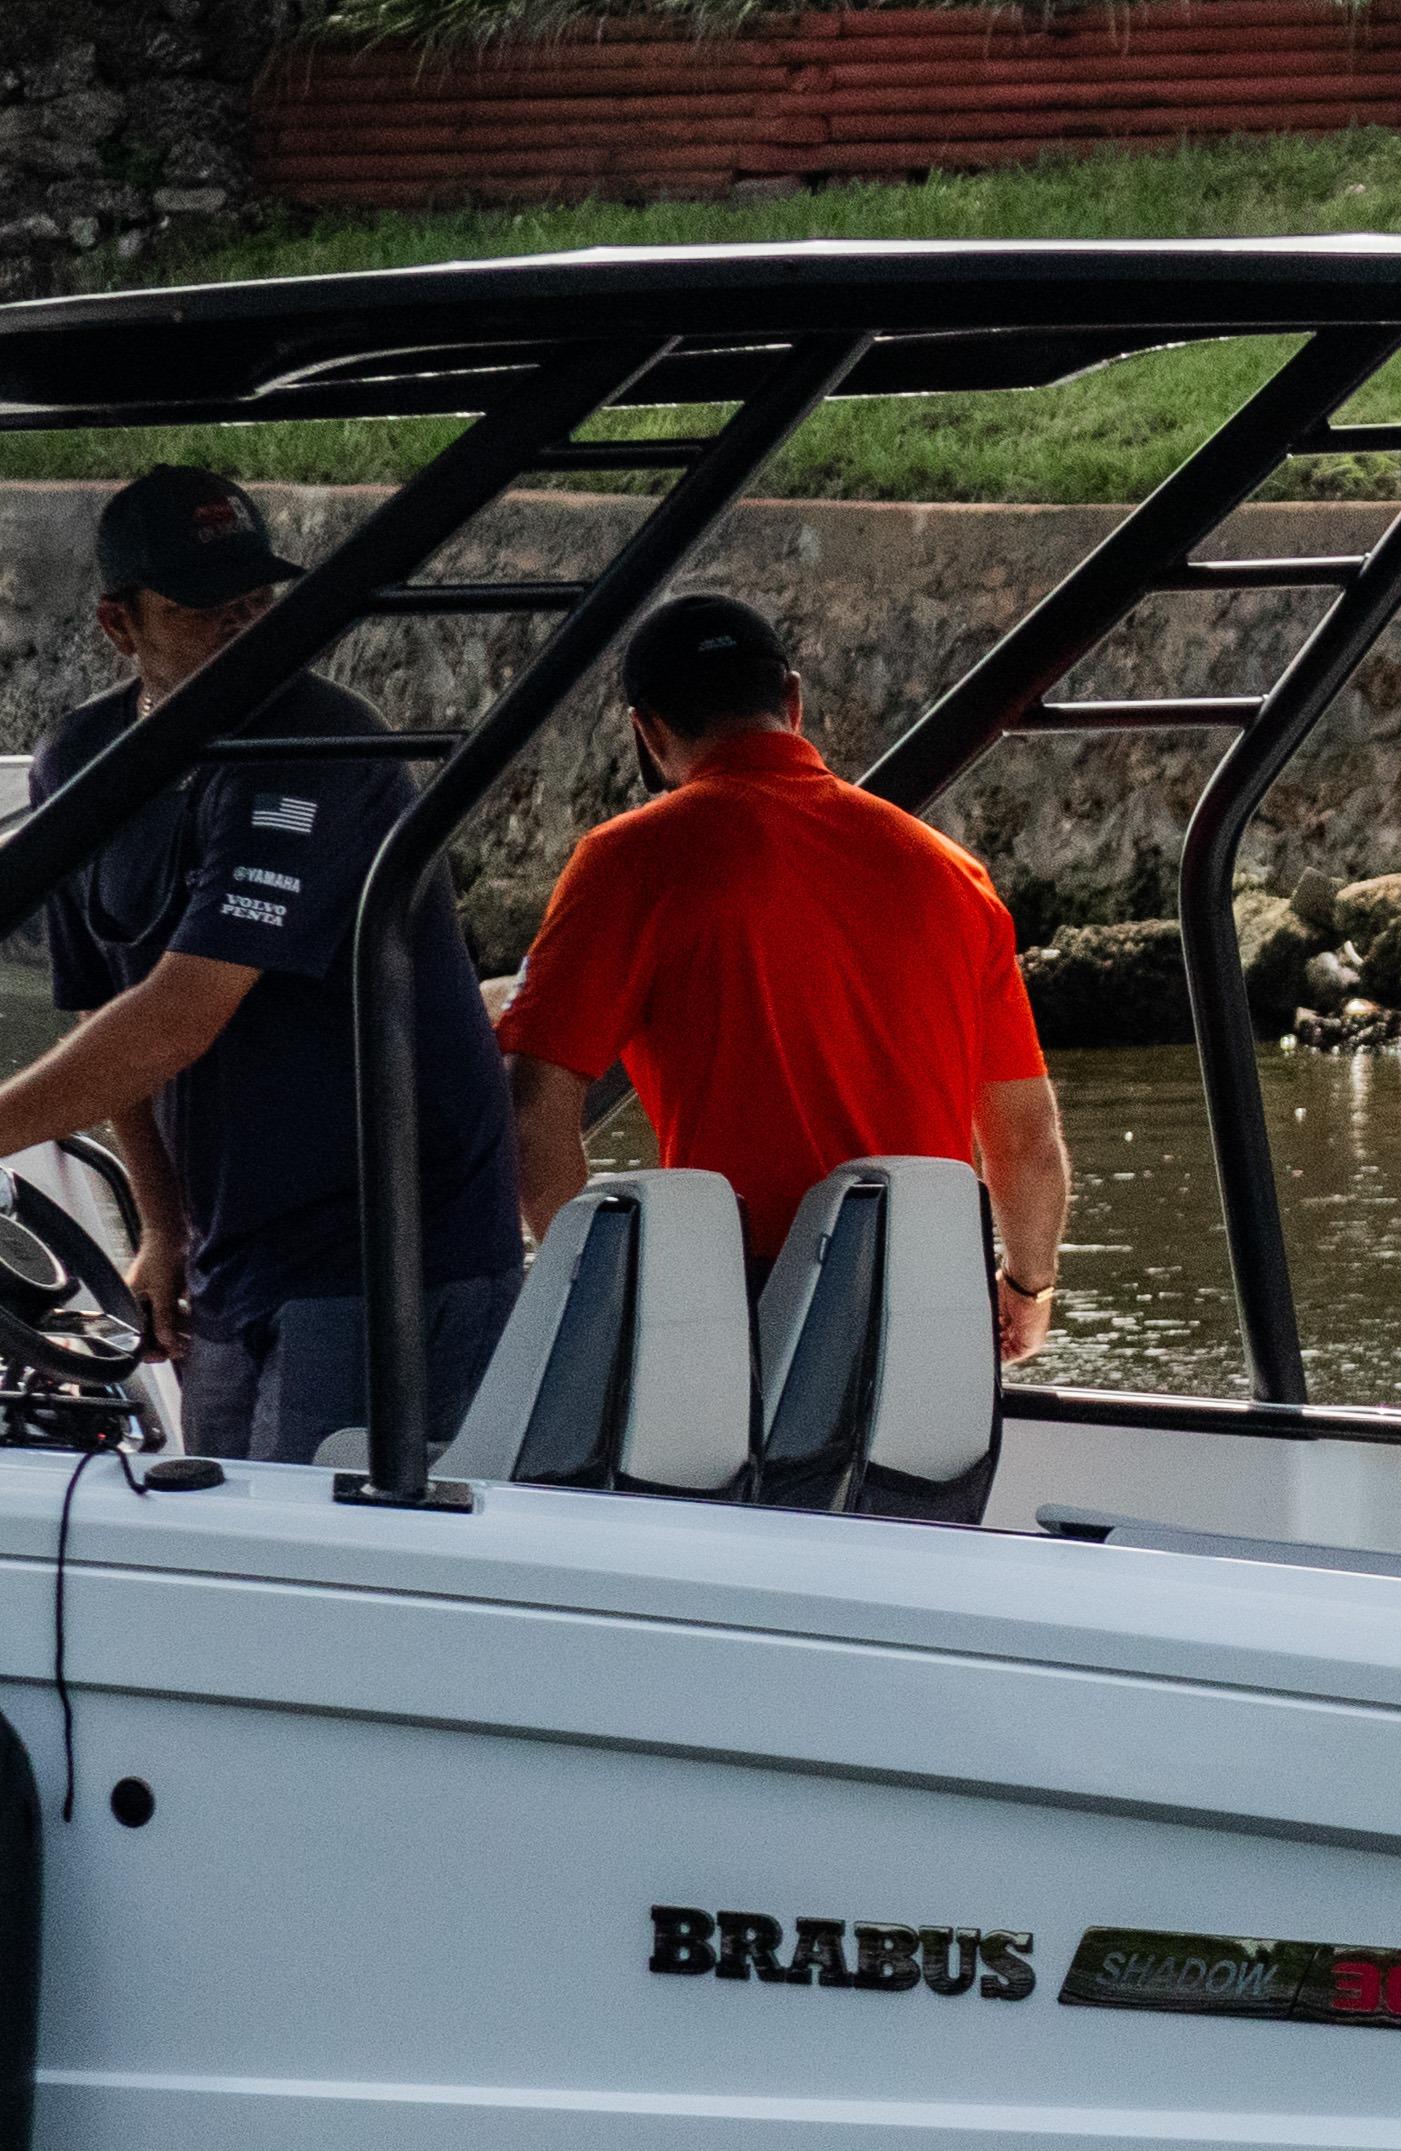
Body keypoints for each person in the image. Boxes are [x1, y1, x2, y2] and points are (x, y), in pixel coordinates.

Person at [2, 467, 525, 1462]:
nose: (245, 629)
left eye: (258, 601)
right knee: (215, 1506)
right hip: (235, 1245)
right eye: (203, 610)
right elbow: (106, 1013)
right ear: (120, 625)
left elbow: (180, 1013)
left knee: (320, 1530)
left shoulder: (320, 745)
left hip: (391, 1241)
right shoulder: (82, 760)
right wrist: (162, 1227)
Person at [499, 594, 1069, 1363]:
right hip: (937, 1300)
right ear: (793, 701)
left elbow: (532, 1116)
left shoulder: (630, 862)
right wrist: (1027, 1288)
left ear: (648, 732)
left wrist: (600, 1305)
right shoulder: (952, 874)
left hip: (742, 1306)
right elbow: (1026, 1140)